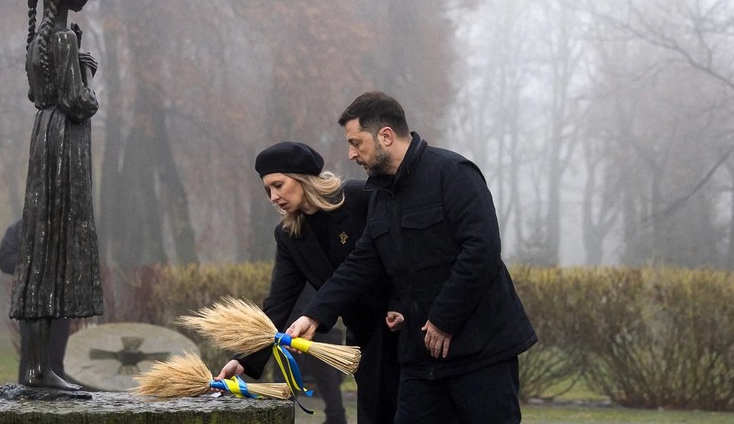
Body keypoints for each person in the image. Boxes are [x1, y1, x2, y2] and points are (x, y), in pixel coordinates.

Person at [288, 92, 538, 423]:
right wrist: (314, 315)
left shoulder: (453, 173)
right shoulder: (380, 197)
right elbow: (363, 262)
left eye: (356, 143)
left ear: (385, 136)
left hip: (482, 355)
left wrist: (443, 320)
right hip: (420, 361)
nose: (351, 154)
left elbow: (481, 251)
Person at [216, 141, 400, 423]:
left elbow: (401, 254)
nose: (273, 197)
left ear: (302, 178)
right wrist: (243, 359)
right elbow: (278, 303)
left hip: (404, 325)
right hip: (364, 339)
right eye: (267, 190)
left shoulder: (358, 197)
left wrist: (401, 302)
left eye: (278, 185)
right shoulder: (289, 234)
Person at [9, 0, 103, 390]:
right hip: (64, 147)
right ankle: (39, 370)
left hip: (45, 140)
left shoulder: (41, 42)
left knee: (41, 251)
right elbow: (80, 102)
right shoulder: (64, 40)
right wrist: (87, 70)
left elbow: (38, 94)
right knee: (53, 250)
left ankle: (35, 367)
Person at [0, 219, 71, 384]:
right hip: (30, 301)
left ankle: (57, 395)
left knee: (55, 354)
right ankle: (27, 393)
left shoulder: (64, 228)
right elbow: (4, 259)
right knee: (30, 354)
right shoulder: (19, 229)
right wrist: (33, 261)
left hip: (60, 301)